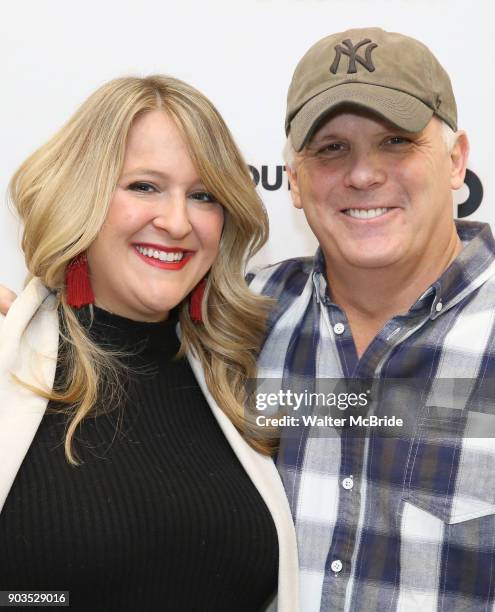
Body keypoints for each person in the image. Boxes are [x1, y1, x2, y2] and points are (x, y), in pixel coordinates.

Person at [0, 75, 299, 611]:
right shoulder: (10, 361)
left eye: (203, 195)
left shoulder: (235, 373)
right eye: (144, 186)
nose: (178, 221)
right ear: (83, 194)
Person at [247, 27, 495, 611]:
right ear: (296, 180)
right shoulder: (240, 318)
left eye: (396, 141)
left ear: (456, 161)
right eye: (331, 148)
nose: (363, 175)